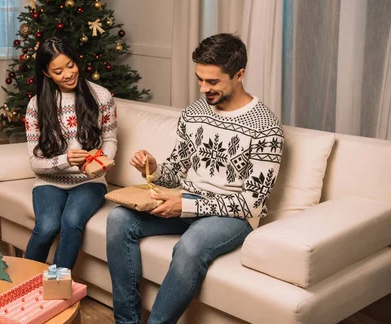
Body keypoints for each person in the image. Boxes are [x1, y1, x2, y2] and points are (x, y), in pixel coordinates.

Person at [107, 33, 284, 324]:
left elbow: (251, 204)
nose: (203, 88)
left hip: (232, 217)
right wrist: (153, 168)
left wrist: (186, 205)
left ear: (239, 75)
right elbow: (177, 169)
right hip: (185, 202)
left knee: (189, 248)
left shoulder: (266, 127)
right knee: (118, 220)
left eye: (212, 82)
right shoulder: (194, 112)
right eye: (200, 79)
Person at [24, 36, 117, 270]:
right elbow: (35, 162)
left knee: (72, 221)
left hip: (90, 181)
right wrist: (66, 160)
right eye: (58, 71)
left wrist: (98, 161)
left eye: (71, 65)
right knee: (46, 226)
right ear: (46, 73)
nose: (67, 74)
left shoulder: (101, 96)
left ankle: (59, 285)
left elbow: (110, 140)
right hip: (48, 182)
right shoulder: (36, 105)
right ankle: (22, 283)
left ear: (77, 61)